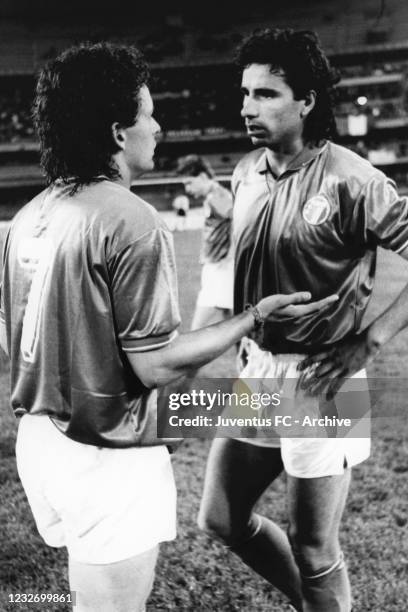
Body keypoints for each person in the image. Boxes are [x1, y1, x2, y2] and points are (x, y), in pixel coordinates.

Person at [0, 42, 335, 612]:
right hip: (107, 455)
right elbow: (154, 366)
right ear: (116, 132)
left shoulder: (29, 215)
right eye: (149, 114)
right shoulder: (132, 218)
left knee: (83, 595)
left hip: (44, 442)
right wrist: (255, 315)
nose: (158, 127)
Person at [198, 28, 408, 612]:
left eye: (266, 94)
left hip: (328, 379)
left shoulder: (354, 179)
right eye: (245, 93)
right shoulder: (245, 173)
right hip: (258, 370)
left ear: (307, 100)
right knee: (219, 516)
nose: (247, 107)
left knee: (314, 547)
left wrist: (368, 344)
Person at [176, 155, 233, 330]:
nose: (187, 189)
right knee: (235, 324)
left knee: (196, 331)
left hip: (221, 269)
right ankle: (246, 356)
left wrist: (232, 256)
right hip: (217, 267)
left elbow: (242, 221)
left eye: (189, 183)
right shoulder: (213, 196)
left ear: (202, 177)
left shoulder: (217, 196)